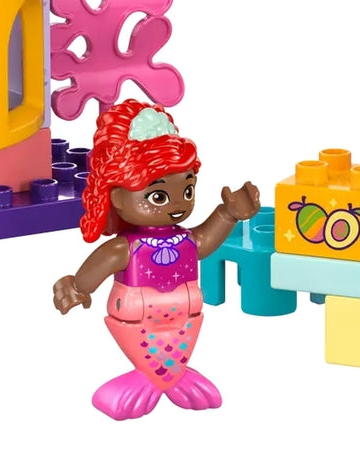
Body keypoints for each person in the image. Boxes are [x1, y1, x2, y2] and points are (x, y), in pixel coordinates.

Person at [53, 99, 260, 420]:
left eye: (187, 191)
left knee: (172, 356)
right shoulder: (125, 248)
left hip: (186, 317)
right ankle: (151, 380)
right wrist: (78, 286)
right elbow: (99, 265)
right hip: (136, 318)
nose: (178, 205)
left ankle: (170, 379)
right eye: (159, 196)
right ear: (117, 197)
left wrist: (228, 214)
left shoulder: (185, 240)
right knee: (153, 355)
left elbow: (204, 242)